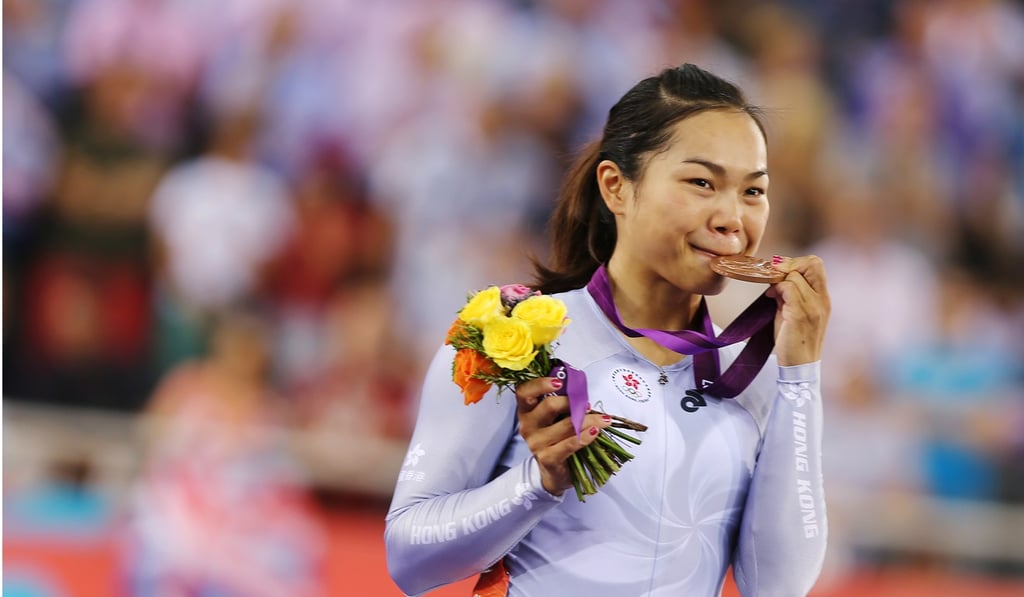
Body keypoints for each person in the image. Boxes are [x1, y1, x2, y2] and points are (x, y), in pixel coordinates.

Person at [385, 63, 829, 596]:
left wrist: (801, 377)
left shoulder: (754, 377)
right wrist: (537, 482)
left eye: (753, 192)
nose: (732, 218)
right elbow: (409, 558)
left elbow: (779, 587)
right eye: (702, 183)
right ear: (616, 187)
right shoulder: (517, 337)